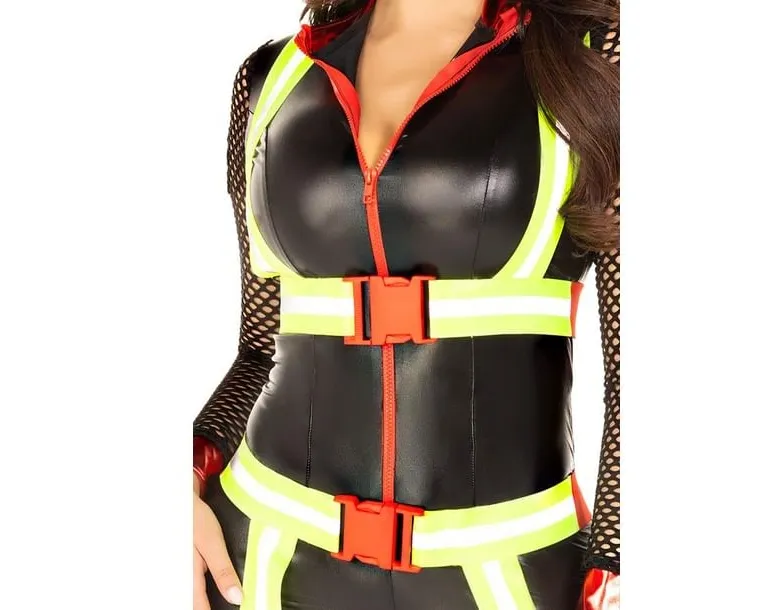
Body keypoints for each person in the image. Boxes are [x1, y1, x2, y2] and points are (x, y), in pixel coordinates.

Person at [192, 0, 620, 608]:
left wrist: (614, 569)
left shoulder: (596, 59)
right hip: (262, 563)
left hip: (508, 577)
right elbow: (260, 350)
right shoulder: (270, 80)